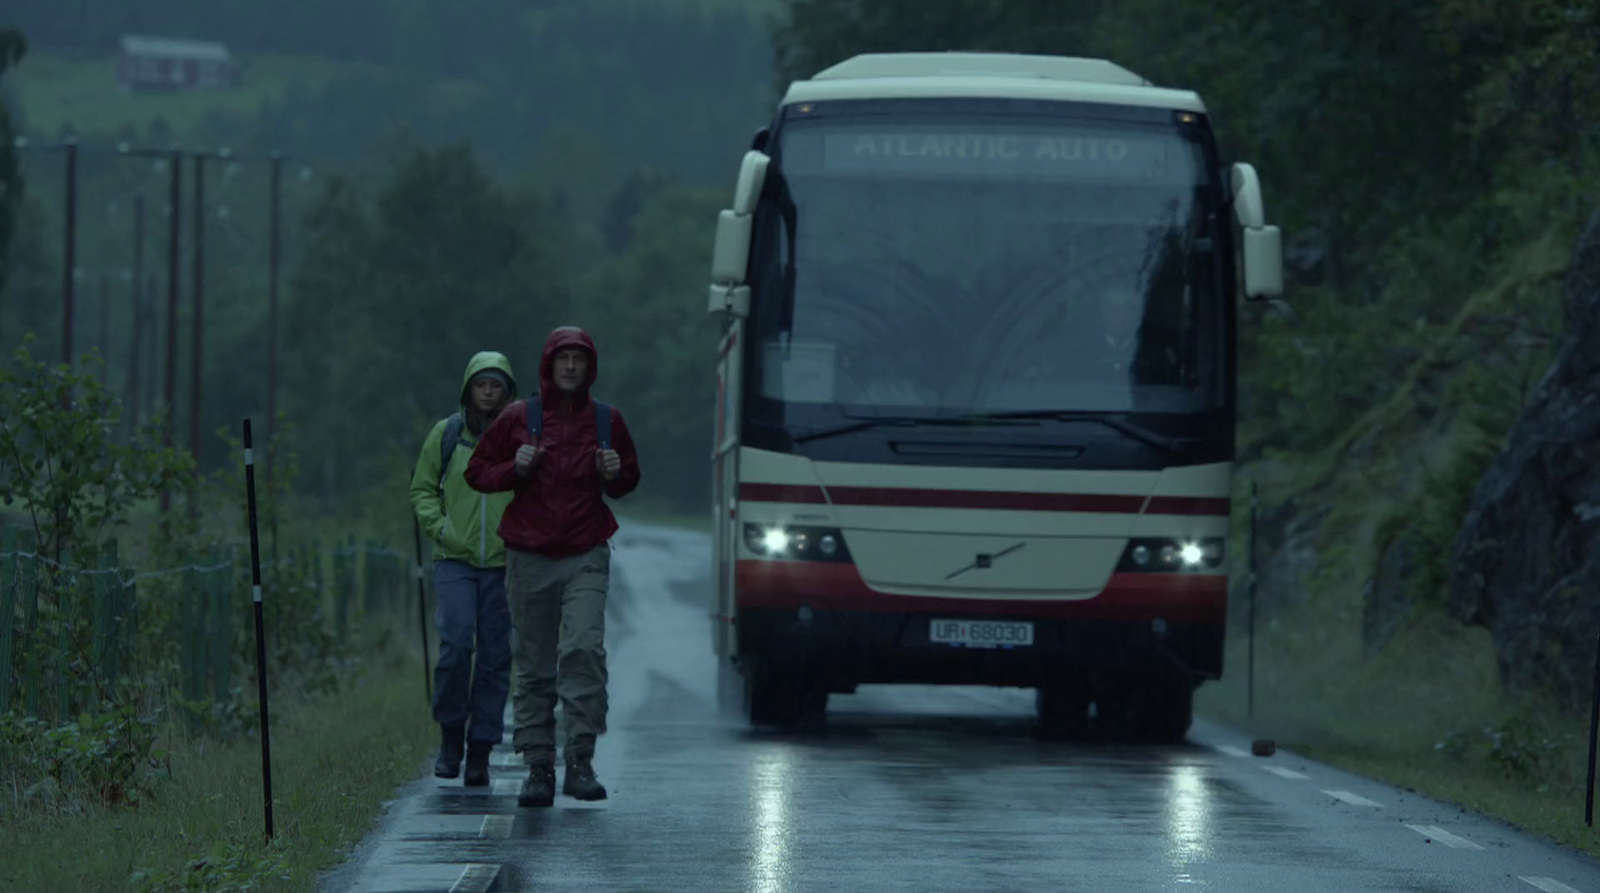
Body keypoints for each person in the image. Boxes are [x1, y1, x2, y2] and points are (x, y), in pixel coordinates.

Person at [464, 326, 641, 807]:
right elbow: (476, 472)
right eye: (562, 358)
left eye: (578, 360)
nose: (569, 366)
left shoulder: (607, 420)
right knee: (536, 666)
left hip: (586, 550)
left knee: (583, 649)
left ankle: (580, 761)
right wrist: (514, 469)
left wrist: (614, 473)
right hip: (529, 553)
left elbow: (629, 479)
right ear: (548, 364)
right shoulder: (520, 416)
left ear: (589, 368)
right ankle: (539, 767)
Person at [409, 352, 518, 787]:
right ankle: (451, 736)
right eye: (481, 384)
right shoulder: (447, 433)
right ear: (469, 389)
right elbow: (421, 490)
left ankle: (481, 750)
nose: (488, 392)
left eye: (496, 385)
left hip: (504, 565)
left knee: (494, 658)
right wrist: (443, 530)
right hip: (454, 561)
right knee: (455, 646)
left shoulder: (519, 437)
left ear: (507, 391)